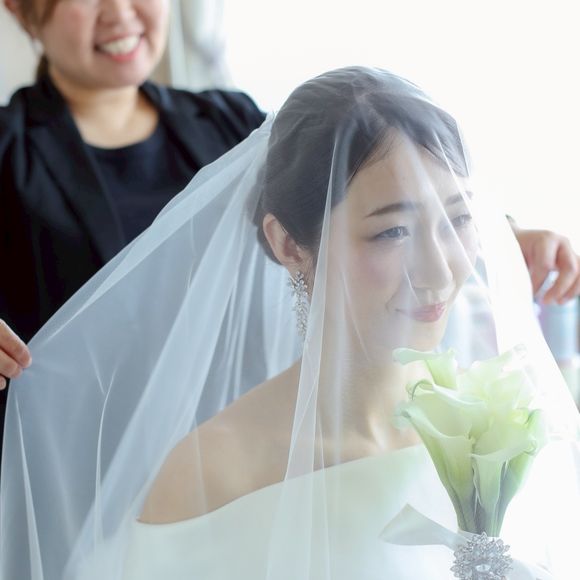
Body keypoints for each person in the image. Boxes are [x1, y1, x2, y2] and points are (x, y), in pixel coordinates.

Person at [1, 66, 578, 580]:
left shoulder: (496, 419)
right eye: (392, 231)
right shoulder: (213, 475)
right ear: (288, 244)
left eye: (458, 219)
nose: (438, 270)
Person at [0, 0, 265, 441]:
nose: (120, 11)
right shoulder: (7, 154)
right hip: (81, 462)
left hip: (246, 451)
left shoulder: (235, 124)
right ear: (21, 9)